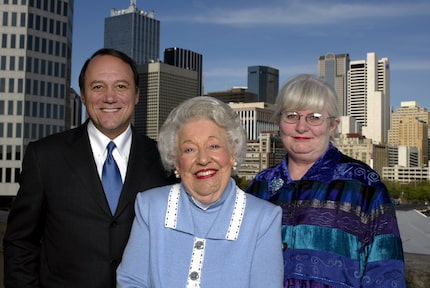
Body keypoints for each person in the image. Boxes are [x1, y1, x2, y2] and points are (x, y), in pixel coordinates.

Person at [3, 48, 176, 287]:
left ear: (136, 94)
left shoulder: (163, 159)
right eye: (97, 87)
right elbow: (21, 243)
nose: (109, 97)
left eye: (121, 86)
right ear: (83, 96)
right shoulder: (45, 157)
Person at [246, 74, 406, 287]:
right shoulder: (260, 187)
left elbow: (386, 274)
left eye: (315, 117)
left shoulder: (365, 187)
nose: (302, 127)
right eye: (292, 116)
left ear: (333, 125)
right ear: (278, 122)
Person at [116, 96, 284, 287]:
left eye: (214, 146)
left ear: (233, 152)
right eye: (189, 149)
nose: (203, 159)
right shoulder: (150, 206)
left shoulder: (264, 219)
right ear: (176, 161)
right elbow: (131, 281)